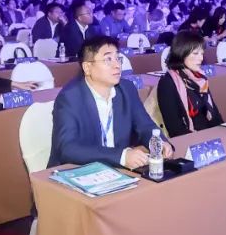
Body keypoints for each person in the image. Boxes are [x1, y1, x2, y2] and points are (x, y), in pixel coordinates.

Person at [49, 35, 172, 168]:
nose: (117, 65)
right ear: (87, 67)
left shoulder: (127, 89)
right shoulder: (70, 98)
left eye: (118, 58)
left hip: (117, 169)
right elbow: (67, 148)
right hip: (76, 170)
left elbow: (145, 126)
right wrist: (121, 157)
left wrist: (160, 142)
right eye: (108, 59)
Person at [156, 30, 224, 137]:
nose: (201, 58)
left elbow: (214, 114)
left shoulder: (200, 78)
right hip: (189, 138)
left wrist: (223, 132)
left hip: (209, 134)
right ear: (181, 53)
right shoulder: (168, 83)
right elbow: (175, 129)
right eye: (195, 53)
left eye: (202, 53)